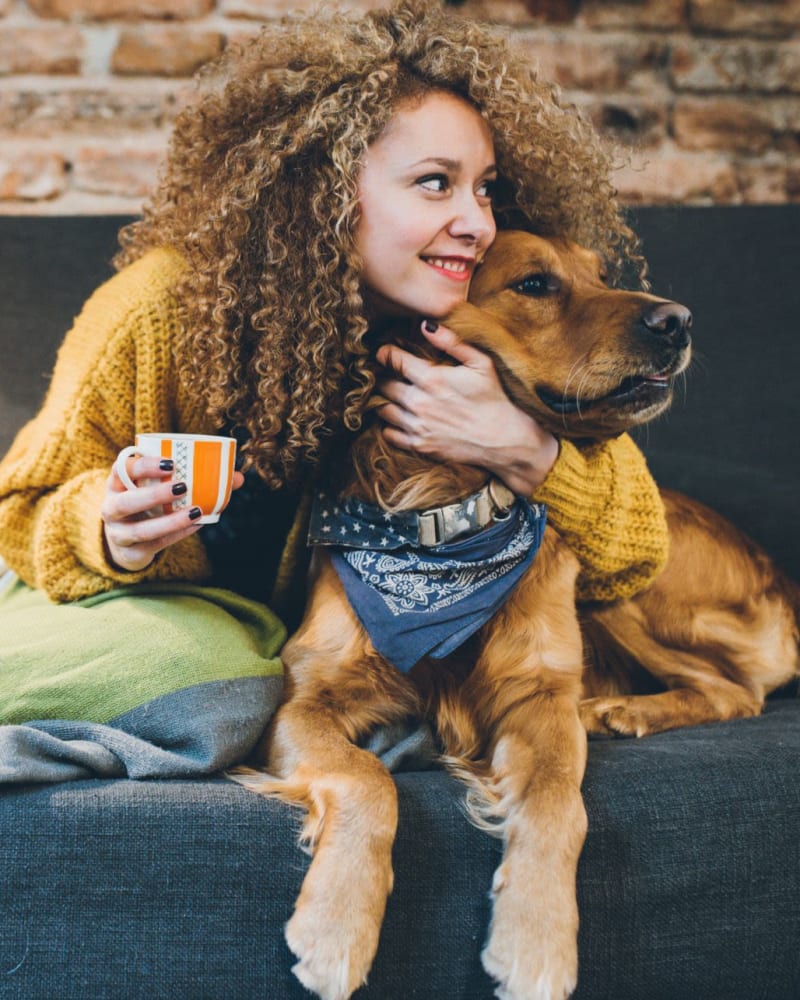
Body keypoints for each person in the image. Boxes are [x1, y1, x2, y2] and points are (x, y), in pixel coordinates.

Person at [0, 0, 668, 781]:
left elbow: (637, 556)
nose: (476, 222)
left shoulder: (472, 320)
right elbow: (21, 508)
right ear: (322, 191)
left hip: (292, 634)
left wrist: (528, 452)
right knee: (217, 681)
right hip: (118, 600)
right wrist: (107, 529)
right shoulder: (162, 309)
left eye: (483, 189)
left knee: (274, 678)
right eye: (433, 184)